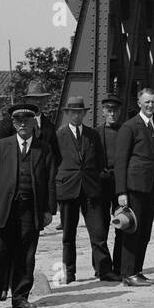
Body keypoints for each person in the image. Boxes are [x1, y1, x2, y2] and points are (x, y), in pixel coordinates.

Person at [0, 103, 57, 308]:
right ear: (13, 124)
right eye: (18, 121)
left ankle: (20, 297)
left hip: (31, 210)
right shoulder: (2, 146)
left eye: (27, 121)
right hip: (4, 209)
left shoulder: (44, 149)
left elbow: (50, 181)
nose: (23, 125)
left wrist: (49, 209)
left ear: (33, 123)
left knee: (26, 256)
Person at [53, 97, 118, 283]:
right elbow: (54, 162)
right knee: (68, 234)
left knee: (98, 233)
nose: (76, 115)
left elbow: (100, 160)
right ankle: (69, 272)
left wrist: (100, 174)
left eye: (80, 112)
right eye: (73, 112)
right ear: (67, 114)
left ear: (84, 114)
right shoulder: (60, 135)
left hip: (91, 188)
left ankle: (104, 270)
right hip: (68, 189)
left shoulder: (92, 134)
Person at [114, 86, 154, 285]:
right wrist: (121, 192)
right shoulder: (130, 127)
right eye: (147, 102)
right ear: (139, 103)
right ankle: (127, 273)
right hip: (134, 187)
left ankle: (138, 270)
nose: (150, 105)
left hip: (151, 188)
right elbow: (121, 161)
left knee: (144, 232)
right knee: (132, 230)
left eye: (153, 102)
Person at [97, 97, 126, 273]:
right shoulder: (96, 133)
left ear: (120, 111)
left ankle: (119, 265)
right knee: (100, 228)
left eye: (115, 110)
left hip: (120, 184)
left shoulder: (125, 131)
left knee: (121, 226)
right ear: (103, 112)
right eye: (108, 110)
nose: (112, 113)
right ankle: (101, 266)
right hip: (101, 184)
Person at [0, 79, 60, 154]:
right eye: (34, 98)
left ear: (46, 100)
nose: (38, 102)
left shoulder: (49, 126)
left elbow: (55, 154)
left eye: (42, 98)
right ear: (27, 100)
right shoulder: (9, 122)